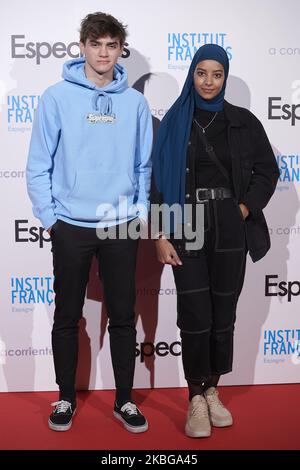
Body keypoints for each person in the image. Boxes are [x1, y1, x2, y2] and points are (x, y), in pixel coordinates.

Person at [26, 12, 152, 433]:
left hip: (120, 224)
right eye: (96, 44)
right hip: (71, 224)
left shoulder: (134, 102)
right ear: (82, 47)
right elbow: (38, 164)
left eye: (111, 45)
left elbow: (143, 165)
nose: (103, 52)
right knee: (67, 314)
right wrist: (51, 219)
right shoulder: (57, 97)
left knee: (122, 315)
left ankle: (125, 401)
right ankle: (65, 397)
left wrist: (137, 212)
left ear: (121, 50)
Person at [152, 44, 279, 438]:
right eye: (201, 73)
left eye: (217, 74)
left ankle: (212, 391)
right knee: (195, 315)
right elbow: (156, 181)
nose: (208, 81)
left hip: (228, 225)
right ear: (192, 74)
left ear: (225, 77)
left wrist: (243, 209)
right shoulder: (174, 121)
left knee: (223, 315)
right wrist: (159, 233)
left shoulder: (243, 122)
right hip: (186, 224)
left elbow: (267, 171)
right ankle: (194, 397)